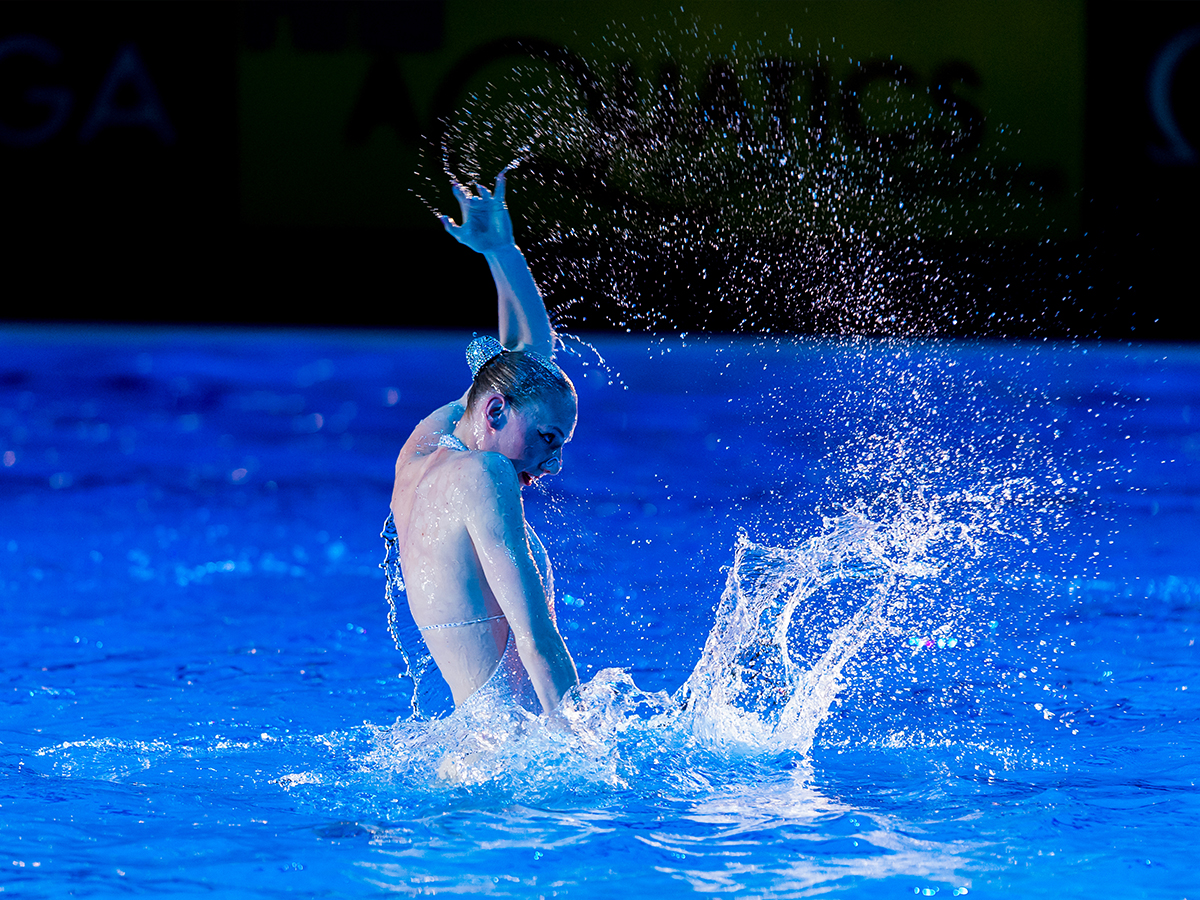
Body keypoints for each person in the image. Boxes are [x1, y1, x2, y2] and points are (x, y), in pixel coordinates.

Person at [384, 170, 580, 715]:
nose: (553, 463)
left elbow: (522, 362)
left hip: (472, 745)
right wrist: (588, 749)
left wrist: (501, 252)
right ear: (494, 412)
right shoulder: (485, 475)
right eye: (547, 438)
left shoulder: (421, 451)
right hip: (521, 749)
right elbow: (537, 641)